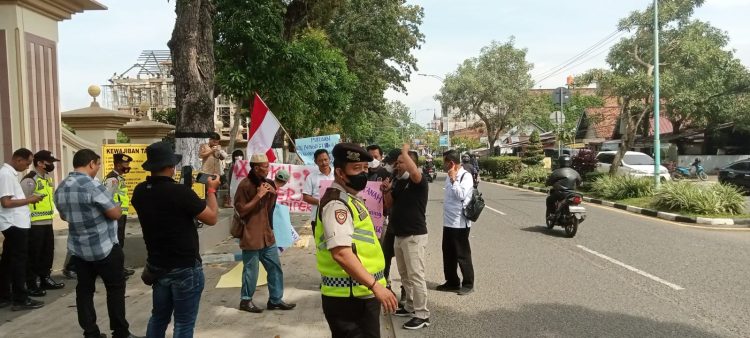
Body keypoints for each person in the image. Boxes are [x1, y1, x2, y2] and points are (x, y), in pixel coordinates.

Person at [131, 141, 220, 338]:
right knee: (184, 323)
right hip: (185, 267)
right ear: (171, 167)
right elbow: (212, 217)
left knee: (159, 317)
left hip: (158, 265)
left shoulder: (139, 192)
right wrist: (211, 190)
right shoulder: (180, 192)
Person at [54, 149, 141, 338]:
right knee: (115, 289)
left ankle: (91, 332)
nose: (99, 168)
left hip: (79, 249)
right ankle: (120, 332)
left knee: (84, 291)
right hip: (105, 247)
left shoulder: (61, 187)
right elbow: (115, 214)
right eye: (98, 164)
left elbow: (63, 215)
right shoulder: (93, 186)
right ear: (91, 163)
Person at [315, 143, 398, 337]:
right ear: (340, 173)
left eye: (365, 168)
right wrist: (375, 286)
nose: (362, 173)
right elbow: (342, 254)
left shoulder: (350, 198)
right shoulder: (337, 205)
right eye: (356, 168)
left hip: (359, 293)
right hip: (350, 299)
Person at [234, 154, 296, 313]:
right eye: (266, 166)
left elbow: (269, 210)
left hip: (267, 234)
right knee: (251, 271)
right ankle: (245, 301)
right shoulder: (245, 185)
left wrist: (272, 195)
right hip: (251, 235)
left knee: (275, 268)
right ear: (256, 168)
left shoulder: (267, 183)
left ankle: (275, 299)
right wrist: (259, 196)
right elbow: (241, 211)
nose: (269, 169)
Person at [382, 144, 431, 330]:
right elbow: (389, 204)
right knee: (405, 275)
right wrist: (386, 191)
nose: (397, 165)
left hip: (414, 235)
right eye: (397, 162)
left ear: (412, 163)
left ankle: (422, 314)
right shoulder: (399, 181)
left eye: (401, 162)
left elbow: (414, 171)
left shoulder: (418, 180)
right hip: (399, 234)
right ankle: (410, 306)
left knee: (416, 275)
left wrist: (404, 151)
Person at [0, 148, 45, 311]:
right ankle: (20, 298)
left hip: (16, 223)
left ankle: (5, 295)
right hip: (14, 224)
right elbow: (6, 202)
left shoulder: (10, 174)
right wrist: (29, 200)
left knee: (8, 260)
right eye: (27, 162)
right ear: (18, 159)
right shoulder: (5, 174)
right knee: (19, 261)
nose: (27, 166)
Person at [21, 150, 65, 296]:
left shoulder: (46, 178)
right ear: (40, 163)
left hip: (47, 222)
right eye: (49, 162)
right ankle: (32, 284)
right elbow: (22, 202)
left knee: (47, 252)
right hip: (34, 225)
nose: (51, 165)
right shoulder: (30, 180)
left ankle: (45, 278)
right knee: (34, 255)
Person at [438, 150, 475, 296]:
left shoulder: (465, 176)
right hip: (448, 221)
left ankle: (468, 283)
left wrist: (454, 180)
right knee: (448, 253)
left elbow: (460, 196)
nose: (443, 165)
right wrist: (451, 179)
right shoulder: (449, 176)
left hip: (460, 222)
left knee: (462, 254)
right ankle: (452, 282)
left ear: (451, 163)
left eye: (445, 162)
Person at [104, 153, 135, 277]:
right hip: (115, 216)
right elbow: (106, 199)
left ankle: (118, 267)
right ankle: (115, 270)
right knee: (115, 243)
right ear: (117, 165)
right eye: (125, 164)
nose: (127, 166)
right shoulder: (112, 179)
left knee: (119, 242)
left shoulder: (119, 178)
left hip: (121, 215)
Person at [303, 149, 335, 228]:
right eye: (320, 160)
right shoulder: (311, 177)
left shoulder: (338, 174)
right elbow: (306, 197)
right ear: (315, 162)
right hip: (317, 218)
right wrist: (321, 202)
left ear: (329, 159)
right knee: (320, 240)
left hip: (336, 216)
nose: (324, 163)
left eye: (325, 159)